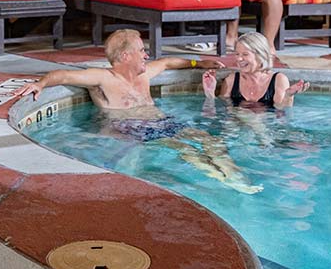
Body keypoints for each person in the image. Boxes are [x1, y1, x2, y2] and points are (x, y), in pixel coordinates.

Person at [16, 29, 262, 193]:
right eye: (141, 50)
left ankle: (236, 178)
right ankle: (223, 181)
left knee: (211, 141)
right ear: (125, 55)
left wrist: (199, 63)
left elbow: (168, 62)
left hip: (162, 121)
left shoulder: (144, 75)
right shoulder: (104, 78)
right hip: (132, 128)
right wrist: (40, 84)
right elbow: (64, 75)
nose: (146, 54)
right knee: (186, 149)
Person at [202, 32, 308, 109]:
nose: (239, 59)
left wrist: (288, 96)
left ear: (260, 55)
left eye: (245, 54)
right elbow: (220, 112)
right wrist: (210, 93)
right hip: (236, 129)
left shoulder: (278, 80)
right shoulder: (231, 80)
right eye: (237, 54)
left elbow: (282, 114)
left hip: (267, 129)